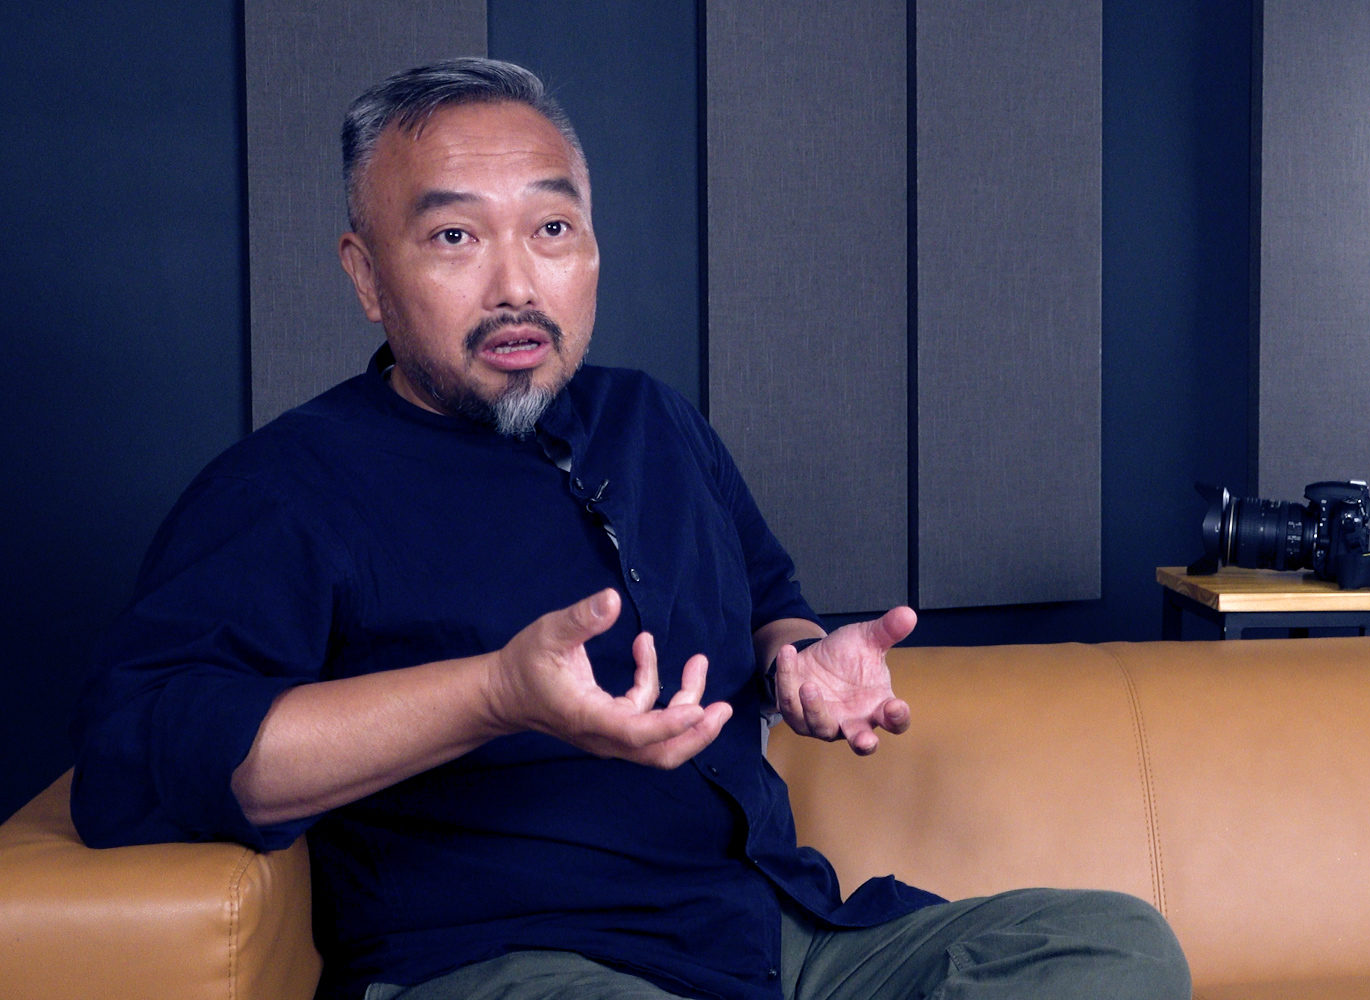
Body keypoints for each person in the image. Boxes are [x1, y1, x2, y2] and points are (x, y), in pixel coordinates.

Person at [69, 57, 1189, 1000]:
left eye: (552, 228)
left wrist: (799, 663)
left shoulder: (653, 421)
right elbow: (137, 760)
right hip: (513, 961)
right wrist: (493, 693)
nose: (517, 283)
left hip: (769, 935)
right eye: (455, 237)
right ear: (367, 275)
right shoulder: (286, 487)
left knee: (1110, 947)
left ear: (594, 247)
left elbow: (767, 600)